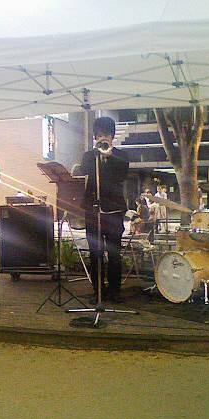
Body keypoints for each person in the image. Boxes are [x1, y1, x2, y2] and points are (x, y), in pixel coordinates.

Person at [80, 117, 129, 304]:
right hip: (93, 210)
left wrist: (109, 156)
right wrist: (98, 156)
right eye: (100, 134)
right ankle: (98, 291)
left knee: (114, 253)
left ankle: (115, 291)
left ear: (112, 136)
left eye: (107, 134)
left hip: (114, 211)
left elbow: (122, 175)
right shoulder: (89, 156)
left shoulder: (121, 156)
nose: (103, 138)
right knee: (95, 253)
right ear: (95, 136)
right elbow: (85, 171)